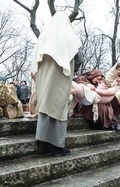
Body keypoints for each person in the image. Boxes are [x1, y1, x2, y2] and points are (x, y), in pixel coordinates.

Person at [32, 12, 81, 157]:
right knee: (59, 108)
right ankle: (57, 146)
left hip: (44, 78)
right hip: (61, 77)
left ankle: (44, 140)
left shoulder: (44, 37)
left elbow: (35, 58)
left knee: (46, 105)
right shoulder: (69, 36)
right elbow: (79, 58)